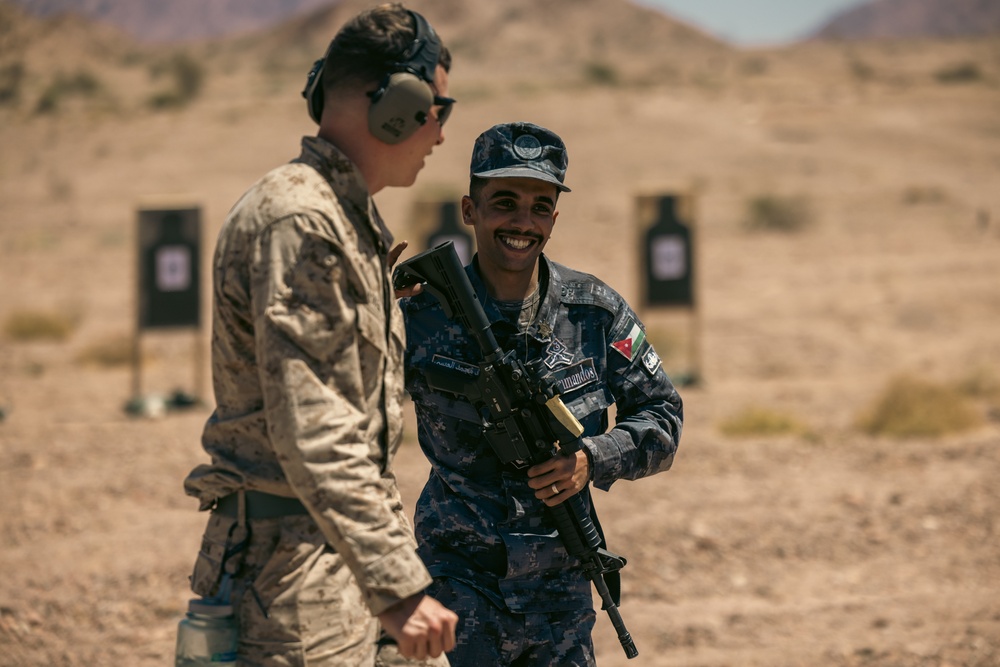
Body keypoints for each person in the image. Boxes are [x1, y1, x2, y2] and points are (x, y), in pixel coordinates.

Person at [182, 4, 458, 665]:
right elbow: (315, 427)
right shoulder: (301, 221)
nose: (441, 136)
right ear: (400, 106)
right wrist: (397, 589)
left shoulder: (343, 218)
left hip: (347, 555)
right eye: (438, 112)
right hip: (295, 587)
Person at [399, 122, 684, 665]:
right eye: (504, 202)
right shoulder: (420, 315)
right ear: (469, 209)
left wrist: (590, 458)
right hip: (457, 586)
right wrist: (367, 302)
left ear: (555, 216)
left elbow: (664, 417)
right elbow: (343, 408)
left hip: (559, 597)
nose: (522, 222)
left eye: (540, 206)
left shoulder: (594, 312)